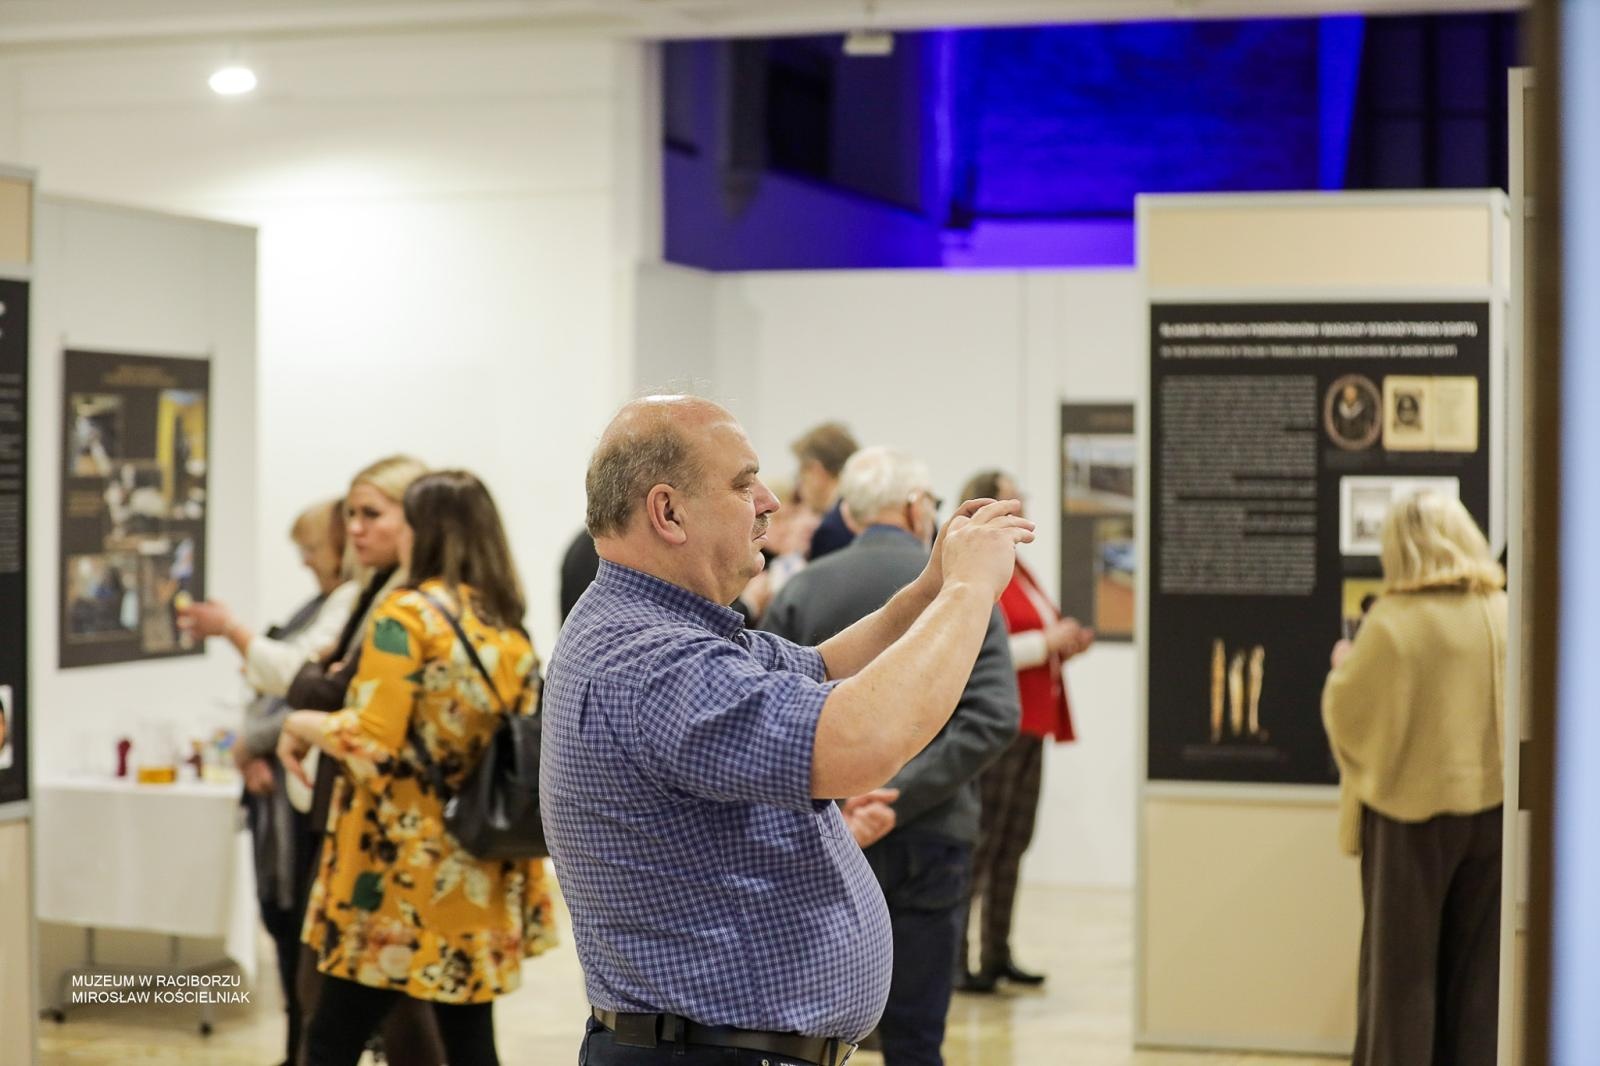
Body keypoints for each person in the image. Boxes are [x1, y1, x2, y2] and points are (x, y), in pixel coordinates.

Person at [542, 396, 1034, 1066]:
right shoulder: (653, 659)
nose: (770, 502)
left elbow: (822, 667)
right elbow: (862, 743)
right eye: (743, 484)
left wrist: (930, 589)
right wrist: (970, 592)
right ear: (668, 512)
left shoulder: (663, 626)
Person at [279, 470, 558, 1066]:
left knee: (331, 1037)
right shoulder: (503, 622)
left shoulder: (405, 616)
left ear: (424, 531)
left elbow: (370, 739)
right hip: (473, 860)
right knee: (469, 1040)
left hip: (395, 871)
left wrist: (300, 723)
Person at [762, 447, 1019, 1066]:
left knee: (809, 1035)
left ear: (851, 514)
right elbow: (993, 716)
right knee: (917, 1040)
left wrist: (848, 795)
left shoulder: (800, 588)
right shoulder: (964, 591)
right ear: (914, 507)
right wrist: (901, 793)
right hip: (932, 830)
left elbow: (775, 709)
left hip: (825, 829)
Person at [1321, 491, 1507, 1066]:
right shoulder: (1500, 611)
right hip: (1491, 811)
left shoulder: (1396, 622)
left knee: (1401, 979)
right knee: (1477, 980)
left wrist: (1342, 667)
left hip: (1410, 819)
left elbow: (1347, 712)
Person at [178, 497, 356, 1065]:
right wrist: (252, 750)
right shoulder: (322, 606)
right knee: (284, 924)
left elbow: (305, 691)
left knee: (301, 929)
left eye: (312, 549)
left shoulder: (351, 607)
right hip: (280, 793)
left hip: (304, 798)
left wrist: (231, 631)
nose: (305, 562)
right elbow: (279, 690)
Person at [285, 455, 441, 1066]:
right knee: (364, 1006)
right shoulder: (380, 594)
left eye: (371, 513)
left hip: (385, 829)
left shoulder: (406, 607)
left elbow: (353, 712)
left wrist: (307, 704)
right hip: (360, 821)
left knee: (365, 1010)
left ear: (414, 517)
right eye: (350, 514)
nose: (354, 529)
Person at [954, 469, 1095, 993]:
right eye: (1012, 498)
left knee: (1013, 843)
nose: (1023, 506)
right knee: (983, 844)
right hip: (999, 724)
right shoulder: (976, 570)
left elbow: (1029, 642)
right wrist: (1045, 644)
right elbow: (978, 651)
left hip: (1030, 722)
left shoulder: (1019, 568)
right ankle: (956, 960)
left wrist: (1062, 645)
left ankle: (997, 953)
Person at [791, 420, 859, 561]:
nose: (801, 489)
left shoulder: (831, 531)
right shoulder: (867, 511)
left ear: (816, 471)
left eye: (802, 478)